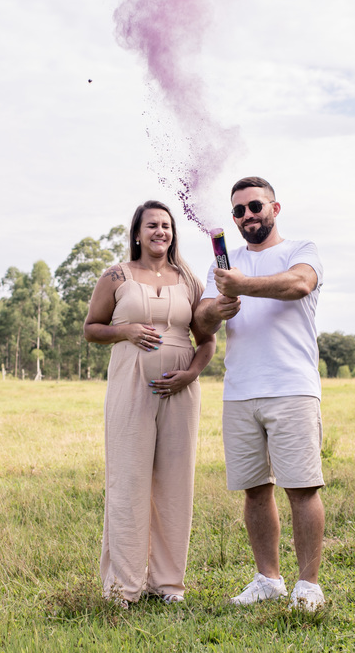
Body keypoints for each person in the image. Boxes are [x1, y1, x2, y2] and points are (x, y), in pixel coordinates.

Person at [192, 176, 327, 612]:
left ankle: (308, 587)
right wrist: (218, 307)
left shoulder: (300, 250)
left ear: (275, 208)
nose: (248, 216)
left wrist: (240, 287)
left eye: (255, 206)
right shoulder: (225, 266)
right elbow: (201, 322)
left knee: (301, 488)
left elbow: (298, 285)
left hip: (291, 388)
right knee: (254, 489)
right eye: (239, 211)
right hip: (240, 391)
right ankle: (268, 579)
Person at [84, 200, 217, 606]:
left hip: (180, 392)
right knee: (128, 481)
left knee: (176, 485)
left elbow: (207, 340)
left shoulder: (189, 279)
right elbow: (91, 329)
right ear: (137, 233)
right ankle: (124, 587)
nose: (161, 232)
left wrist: (191, 374)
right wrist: (124, 330)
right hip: (130, 386)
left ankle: (168, 585)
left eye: (167, 226)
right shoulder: (116, 276)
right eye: (152, 225)